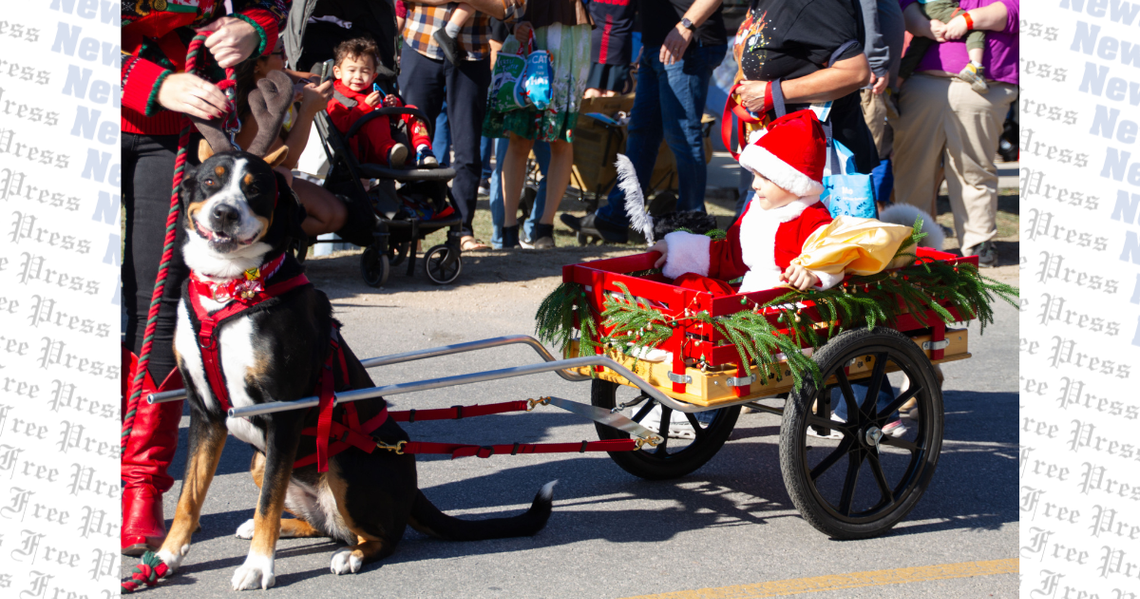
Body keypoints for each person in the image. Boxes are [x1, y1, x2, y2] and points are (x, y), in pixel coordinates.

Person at [121, 0, 287, 556]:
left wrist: (253, 29)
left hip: (179, 130)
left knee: (157, 308)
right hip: (63, 105)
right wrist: (148, 81)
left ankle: (141, 484)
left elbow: (269, 6)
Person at [649, 110, 911, 295]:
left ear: (795, 184)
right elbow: (729, 254)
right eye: (754, 176)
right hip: (749, 296)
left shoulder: (812, 219)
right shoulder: (758, 211)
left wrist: (812, 275)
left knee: (712, 300)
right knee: (690, 285)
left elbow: (832, 258)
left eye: (765, 178)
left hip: (782, 303)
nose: (754, 185)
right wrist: (677, 249)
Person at [563, 0, 728, 243]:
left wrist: (685, 26)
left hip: (688, 43)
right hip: (658, 45)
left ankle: (691, 225)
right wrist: (652, 44)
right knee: (641, 134)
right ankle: (617, 216)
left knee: (682, 135)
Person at [890, 0, 1018, 267]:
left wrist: (969, 21)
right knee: (911, 168)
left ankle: (977, 243)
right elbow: (904, 5)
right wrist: (925, 25)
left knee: (974, 170)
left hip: (985, 85)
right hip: (922, 82)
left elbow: (1017, 10)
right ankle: (909, 245)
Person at [727, 0, 878, 218]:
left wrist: (772, 93)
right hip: (781, 153)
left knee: (823, 248)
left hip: (816, 163)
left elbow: (855, 72)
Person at [399, 0, 527, 252]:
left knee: (469, 150)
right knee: (412, 145)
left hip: (472, 54)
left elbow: (512, 8)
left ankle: (462, 230)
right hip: (421, 44)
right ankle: (410, 230)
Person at [484, 0, 594, 249]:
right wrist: (511, 23)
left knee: (560, 138)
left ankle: (545, 227)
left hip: (570, 32)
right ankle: (509, 228)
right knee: (519, 138)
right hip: (525, 27)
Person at [230, 39, 360, 241]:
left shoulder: (274, 77)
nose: (285, 58)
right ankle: (260, 242)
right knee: (283, 175)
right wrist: (308, 110)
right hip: (250, 188)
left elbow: (313, 77)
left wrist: (301, 86)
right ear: (256, 64)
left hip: (276, 181)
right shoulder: (252, 104)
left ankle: (272, 231)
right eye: (279, 53)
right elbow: (286, 160)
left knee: (334, 214)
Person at [326, 38, 437, 168]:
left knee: (411, 110)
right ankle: (390, 152)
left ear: (373, 76)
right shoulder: (334, 98)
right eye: (351, 70)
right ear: (338, 72)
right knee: (375, 117)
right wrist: (365, 108)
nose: (358, 76)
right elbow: (343, 127)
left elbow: (393, 119)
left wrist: (393, 106)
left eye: (365, 71)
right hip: (365, 151)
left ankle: (423, 150)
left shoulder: (375, 90)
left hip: (393, 140)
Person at [897, 0, 990, 93]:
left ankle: (895, 85)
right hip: (940, 6)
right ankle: (975, 67)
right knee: (974, 24)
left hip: (924, 9)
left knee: (917, 48)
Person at [583, 0, 636, 98]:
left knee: (592, 92)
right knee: (612, 94)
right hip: (619, 44)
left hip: (596, 41)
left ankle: (590, 113)